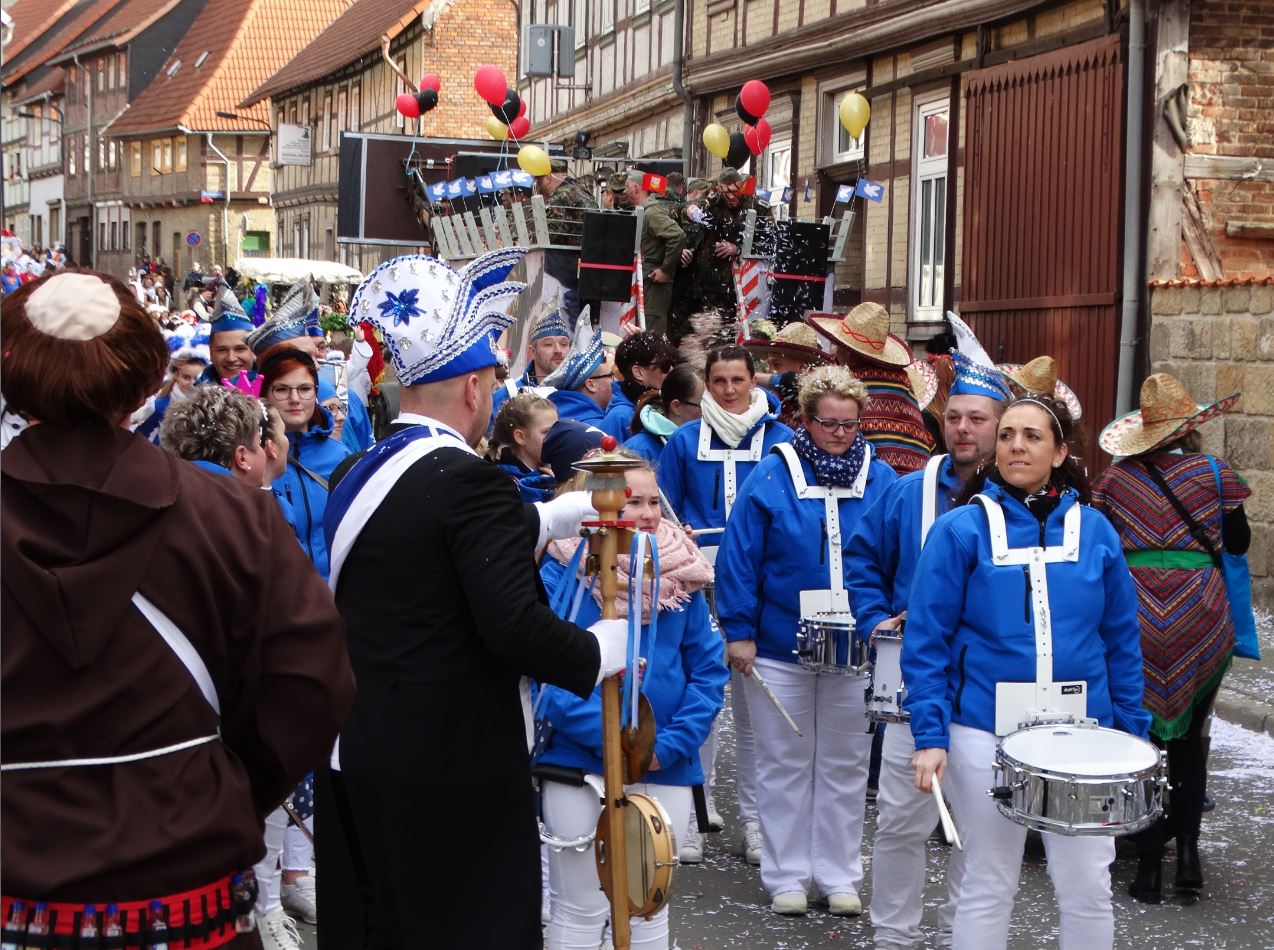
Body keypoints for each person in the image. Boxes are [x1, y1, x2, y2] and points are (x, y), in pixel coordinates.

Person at [0, 269, 353, 947]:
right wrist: (219, 784)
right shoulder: (230, 516)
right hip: (187, 882)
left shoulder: (228, 512)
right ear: (141, 378)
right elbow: (314, 682)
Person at [316, 249, 629, 950]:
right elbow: (512, 627)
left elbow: (420, 546)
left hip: (359, 748)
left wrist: (545, 518)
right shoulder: (470, 481)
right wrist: (598, 650)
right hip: (447, 768)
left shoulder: (359, 466)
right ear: (471, 388)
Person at [905, 394, 1151, 950]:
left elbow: (1121, 640)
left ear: (1061, 451)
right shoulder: (960, 529)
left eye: (1033, 436)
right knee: (989, 880)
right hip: (982, 730)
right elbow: (927, 640)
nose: (1017, 445)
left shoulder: (1096, 532)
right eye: (1009, 434)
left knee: (1087, 880)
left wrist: (1131, 731)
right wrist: (929, 735)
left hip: (1085, 736)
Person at [845, 327, 1011, 949]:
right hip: (912, 683)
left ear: (1000, 426)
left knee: (978, 825)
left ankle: (962, 931)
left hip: (985, 690)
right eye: (955, 418)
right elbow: (862, 562)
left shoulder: (1018, 503)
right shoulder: (907, 490)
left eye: (979, 419)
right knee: (900, 819)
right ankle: (894, 934)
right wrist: (873, 617)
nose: (964, 429)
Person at [716, 365, 898, 916]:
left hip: (857, 644)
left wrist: (893, 618)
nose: (839, 433)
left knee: (846, 762)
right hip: (777, 644)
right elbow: (740, 557)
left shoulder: (883, 476)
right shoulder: (772, 474)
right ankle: (787, 875)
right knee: (784, 760)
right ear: (805, 419)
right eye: (828, 424)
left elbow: (893, 554)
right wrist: (739, 631)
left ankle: (839, 874)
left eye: (848, 424)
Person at [537, 451, 728, 949]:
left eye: (651, 501)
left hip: (665, 761)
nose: (645, 513)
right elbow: (548, 677)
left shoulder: (682, 574)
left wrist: (662, 745)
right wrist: (612, 741)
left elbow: (708, 671)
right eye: (630, 501)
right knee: (581, 908)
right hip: (579, 763)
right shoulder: (559, 573)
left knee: (647, 908)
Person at [1092, 372, 1250, 903]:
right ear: (1191, 427)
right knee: (1189, 741)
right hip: (1201, 612)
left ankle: (1147, 866)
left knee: (1143, 738)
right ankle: (1187, 857)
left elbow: (1098, 539)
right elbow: (1239, 541)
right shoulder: (1215, 472)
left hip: (1134, 608)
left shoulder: (1116, 480)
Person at [657, 345, 793, 865]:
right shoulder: (685, 441)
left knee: (757, 712)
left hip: (763, 590)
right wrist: (680, 534)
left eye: (738, 379)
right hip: (699, 589)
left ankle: (758, 824)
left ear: (754, 380)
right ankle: (694, 811)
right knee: (702, 704)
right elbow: (663, 513)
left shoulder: (781, 441)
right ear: (707, 385)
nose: (730, 390)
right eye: (719, 381)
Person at [260, 348, 353, 582]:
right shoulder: (253, 460)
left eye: (304, 389)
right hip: (281, 602)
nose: (295, 399)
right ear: (264, 395)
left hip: (336, 596)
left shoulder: (341, 456)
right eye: (281, 389)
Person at [808, 303, 935, 474]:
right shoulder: (903, 382)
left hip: (873, 486)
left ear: (848, 351)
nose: (834, 352)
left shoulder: (848, 385)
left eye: (838, 344)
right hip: (917, 485)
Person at [627, 171, 687, 336]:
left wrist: (666, 270)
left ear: (635, 187)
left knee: (652, 333)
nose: (625, 191)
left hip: (653, 282)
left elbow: (677, 236)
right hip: (646, 278)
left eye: (626, 186)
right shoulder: (646, 210)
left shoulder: (652, 212)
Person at [742, 320, 833, 427]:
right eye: (769, 364)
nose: (770, 371)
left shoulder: (821, 392)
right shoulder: (765, 398)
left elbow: (790, 382)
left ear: (804, 367)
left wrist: (745, 377)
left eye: (776, 365)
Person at [491, 307, 571, 425]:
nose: (558, 350)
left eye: (564, 344)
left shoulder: (579, 394)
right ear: (533, 351)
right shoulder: (507, 394)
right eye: (548, 344)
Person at [603, 330, 678, 441]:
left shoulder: (661, 404)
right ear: (638, 373)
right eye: (665, 365)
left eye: (673, 363)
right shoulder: (621, 416)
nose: (671, 370)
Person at [624, 365, 704, 464]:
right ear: (676, 407)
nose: (710, 413)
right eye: (704, 406)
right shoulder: (639, 451)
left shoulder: (705, 442)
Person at [490, 392, 560, 502]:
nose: (557, 436)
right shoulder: (504, 482)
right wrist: (551, 487)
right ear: (521, 437)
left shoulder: (558, 465)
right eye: (547, 432)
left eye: (557, 429)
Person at [546, 323, 615, 431]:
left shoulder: (553, 412)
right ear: (591, 385)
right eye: (611, 375)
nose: (615, 381)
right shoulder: (594, 428)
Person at [135, 350, 210, 443]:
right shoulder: (160, 406)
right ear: (177, 375)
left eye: (197, 378)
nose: (192, 383)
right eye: (186, 377)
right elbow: (141, 437)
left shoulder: (209, 405)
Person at [200, 287, 256, 385]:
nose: (231, 358)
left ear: (254, 351)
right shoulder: (194, 396)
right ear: (211, 353)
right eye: (222, 350)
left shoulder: (275, 394)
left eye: (240, 349)